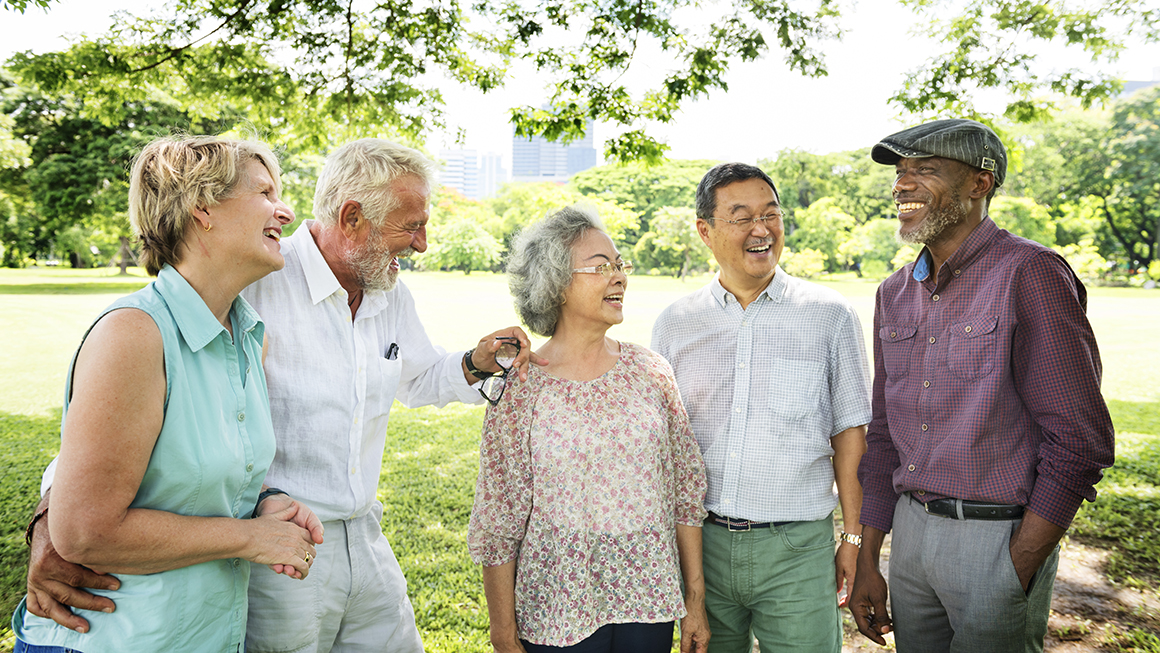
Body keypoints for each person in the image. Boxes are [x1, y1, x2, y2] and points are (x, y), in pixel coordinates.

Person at [24, 138, 542, 652]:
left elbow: (417, 376)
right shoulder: (248, 281)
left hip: (358, 533)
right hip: (273, 551)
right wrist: (54, 518)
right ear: (353, 217)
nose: (422, 243)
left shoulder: (360, 299)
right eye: (410, 226)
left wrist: (474, 364)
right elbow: (114, 415)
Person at [12, 135, 324, 652]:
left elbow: (200, 480)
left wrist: (265, 502)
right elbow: (85, 532)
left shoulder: (250, 338)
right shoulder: (134, 333)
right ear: (202, 206)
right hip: (106, 640)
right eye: (265, 193)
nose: (284, 211)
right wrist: (249, 538)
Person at [848, 118, 1116, 652]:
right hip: (910, 536)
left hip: (996, 540)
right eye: (901, 172)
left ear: (980, 182)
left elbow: (1081, 440)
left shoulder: (1031, 273)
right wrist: (866, 558)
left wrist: (1018, 564)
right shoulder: (894, 292)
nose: (902, 184)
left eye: (924, 169)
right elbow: (883, 436)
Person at [468, 205, 711, 653]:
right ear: (556, 283)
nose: (619, 277)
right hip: (557, 605)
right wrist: (502, 632)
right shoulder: (522, 385)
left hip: (648, 598)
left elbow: (685, 491)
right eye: (602, 267)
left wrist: (693, 600)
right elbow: (497, 521)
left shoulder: (651, 371)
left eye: (621, 265)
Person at [651, 163, 871, 652]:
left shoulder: (829, 315)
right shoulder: (674, 324)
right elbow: (662, 444)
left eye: (771, 215)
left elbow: (850, 435)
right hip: (701, 545)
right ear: (705, 231)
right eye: (742, 216)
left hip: (796, 548)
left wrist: (852, 538)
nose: (761, 229)